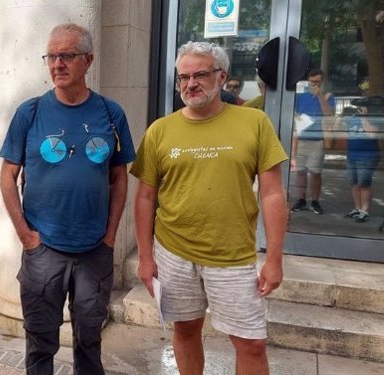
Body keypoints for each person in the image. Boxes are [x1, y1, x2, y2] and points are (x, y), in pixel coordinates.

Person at [131, 41, 288, 375]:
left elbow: (272, 194)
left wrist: (274, 259)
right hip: (173, 253)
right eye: (183, 77)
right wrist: (146, 257)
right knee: (186, 330)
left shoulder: (254, 122)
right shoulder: (161, 130)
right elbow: (145, 198)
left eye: (200, 74)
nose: (191, 84)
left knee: (251, 344)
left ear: (222, 76)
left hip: (232, 256)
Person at [0, 23, 136, 375]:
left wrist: (109, 238)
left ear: (88, 61)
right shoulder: (30, 113)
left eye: (67, 56)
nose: (57, 64)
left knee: (89, 340)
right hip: (43, 251)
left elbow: (120, 177)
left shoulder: (111, 113)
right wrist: (26, 237)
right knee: (40, 343)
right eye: (52, 56)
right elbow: (7, 176)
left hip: (94, 251)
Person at [290, 68, 335, 214]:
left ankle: (315, 201)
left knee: (315, 172)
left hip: (317, 139)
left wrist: (320, 96)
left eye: (317, 82)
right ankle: (301, 199)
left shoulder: (328, 96)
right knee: (300, 172)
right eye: (312, 82)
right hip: (301, 138)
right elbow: (293, 114)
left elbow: (329, 114)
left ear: (322, 82)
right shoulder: (300, 96)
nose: (314, 85)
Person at [341, 105, 381, 223]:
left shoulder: (374, 118)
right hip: (352, 155)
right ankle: (357, 209)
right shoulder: (352, 118)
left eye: (363, 106)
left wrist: (364, 117)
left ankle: (365, 211)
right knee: (354, 183)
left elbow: (372, 134)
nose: (359, 108)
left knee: (364, 184)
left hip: (367, 156)